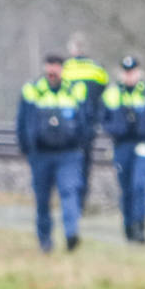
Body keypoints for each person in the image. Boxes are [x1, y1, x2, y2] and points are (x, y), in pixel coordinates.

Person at [17, 53, 88, 252]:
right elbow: (22, 120)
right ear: (45, 67)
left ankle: (71, 234)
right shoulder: (32, 90)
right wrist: (26, 146)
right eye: (50, 65)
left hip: (69, 153)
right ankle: (45, 241)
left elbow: (85, 120)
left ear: (62, 69)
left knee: (69, 191)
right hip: (40, 154)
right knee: (42, 199)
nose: (53, 70)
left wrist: (82, 144)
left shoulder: (75, 90)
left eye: (56, 66)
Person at [100, 55, 145, 243]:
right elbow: (103, 119)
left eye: (132, 72)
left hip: (144, 144)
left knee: (139, 185)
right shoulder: (112, 94)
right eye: (126, 72)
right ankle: (129, 226)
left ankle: (140, 227)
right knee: (126, 188)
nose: (129, 76)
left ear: (139, 72)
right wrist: (116, 129)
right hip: (122, 145)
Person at [62, 36, 110, 214]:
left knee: (69, 162)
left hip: (68, 125)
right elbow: (104, 95)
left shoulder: (65, 68)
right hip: (89, 125)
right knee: (85, 163)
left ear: (72, 49)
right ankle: (81, 200)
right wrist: (99, 119)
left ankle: (72, 200)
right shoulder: (97, 69)